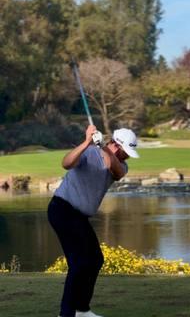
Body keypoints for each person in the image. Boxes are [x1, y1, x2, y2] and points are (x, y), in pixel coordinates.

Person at [48, 125, 139, 317]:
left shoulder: (122, 165)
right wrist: (87, 142)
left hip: (79, 217)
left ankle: (82, 310)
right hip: (62, 209)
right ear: (116, 145)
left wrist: (104, 148)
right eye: (126, 152)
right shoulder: (89, 153)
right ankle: (66, 314)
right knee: (79, 263)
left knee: (95, 259)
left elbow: (114, 170)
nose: (128, 156)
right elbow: (66, 163)